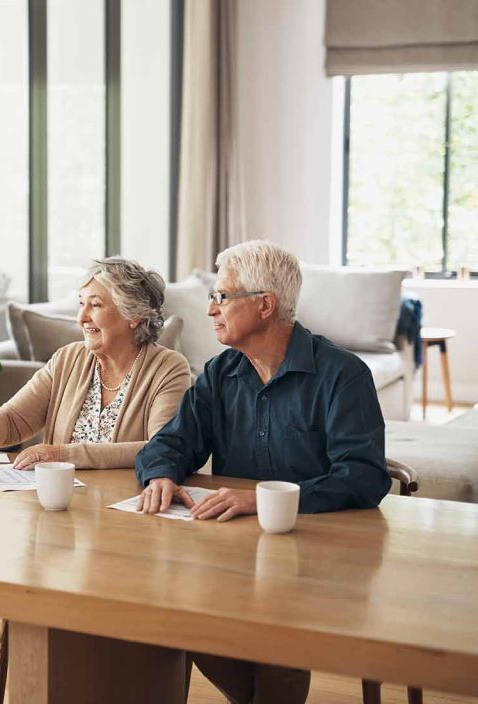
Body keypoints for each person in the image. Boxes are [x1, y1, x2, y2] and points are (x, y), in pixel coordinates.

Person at [136, 240, 391, 704]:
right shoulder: (219, 373)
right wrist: (161, 474)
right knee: (169, 610)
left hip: (320, 559)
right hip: (235, 555)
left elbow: (364, 476)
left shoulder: (343, 375)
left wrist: (264, 499)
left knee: (279, 625)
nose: (211, 309)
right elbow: (171, 443)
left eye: (222, 296)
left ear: (266, 305)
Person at [0, 257, 191, 469]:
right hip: (62, 500)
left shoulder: (168, 368)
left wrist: (63, 454)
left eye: (95, 305)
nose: (81, 317)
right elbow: (13, 422)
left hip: (126, 504)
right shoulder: (67, 359)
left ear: (134, 315)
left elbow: (162, 447)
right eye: (81, 303)